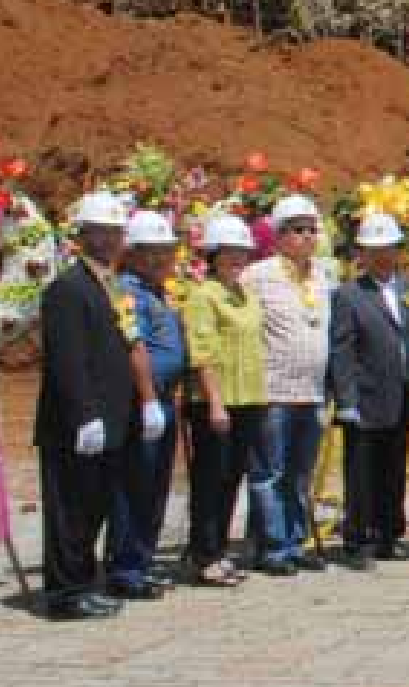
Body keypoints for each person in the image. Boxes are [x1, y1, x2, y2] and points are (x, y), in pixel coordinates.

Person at [35, 194, 139, 619]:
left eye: (116, 232)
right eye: (102, 231)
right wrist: (85, 415)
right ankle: (65, 592)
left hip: (109, 418)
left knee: (93, 505)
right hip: (75, 423)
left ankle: (83, 581)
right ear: (83, 236)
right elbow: (68, 360)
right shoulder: (67, 289)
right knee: (69, 509)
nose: (110, 240)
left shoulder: (109, 284)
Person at [241, 194, 335, 576]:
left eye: (312, 229)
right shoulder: (258, 276)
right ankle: (272, 547)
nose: (308, 237)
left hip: (311, 392)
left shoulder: (322, 275)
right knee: (269, 472)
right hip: (274, 391)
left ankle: (296, 541)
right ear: (279, 236)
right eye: (298, 230)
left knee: (301, 472)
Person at [328, 212, 409, 569]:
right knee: (362, 471)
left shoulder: (407, 289)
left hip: (400, 393)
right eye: (374, 250)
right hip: (366, 396)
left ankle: (388, 534)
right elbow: (342, 349)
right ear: (362, 254)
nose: (383, 256)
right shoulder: (349, 295)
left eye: (389, 249)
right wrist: (346, 398)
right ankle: (356, 539)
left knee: (393, 467)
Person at [103, 210, 185, 600]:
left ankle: (142, 560)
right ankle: (126, 568)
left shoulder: (158, 292)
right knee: (135, 485)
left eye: (165, 252)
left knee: (155, 485)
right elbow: (133, 347)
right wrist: (150, 397)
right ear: (132, 255)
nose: (160, 260)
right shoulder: (128, 292)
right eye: (150, 253)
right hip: (143, 400)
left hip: (165, 397)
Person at [180, 211, 263, 587]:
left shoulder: (244, 295)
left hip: (248, 399)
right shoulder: (203, 296)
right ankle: (203, 553)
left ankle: (219, 549)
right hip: (217, 402)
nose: (237, 259)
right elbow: (203, 353)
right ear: (212, 255)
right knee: (210, 479)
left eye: (242, 252)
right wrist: (214, 402)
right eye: (229, 252)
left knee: (231, 478)